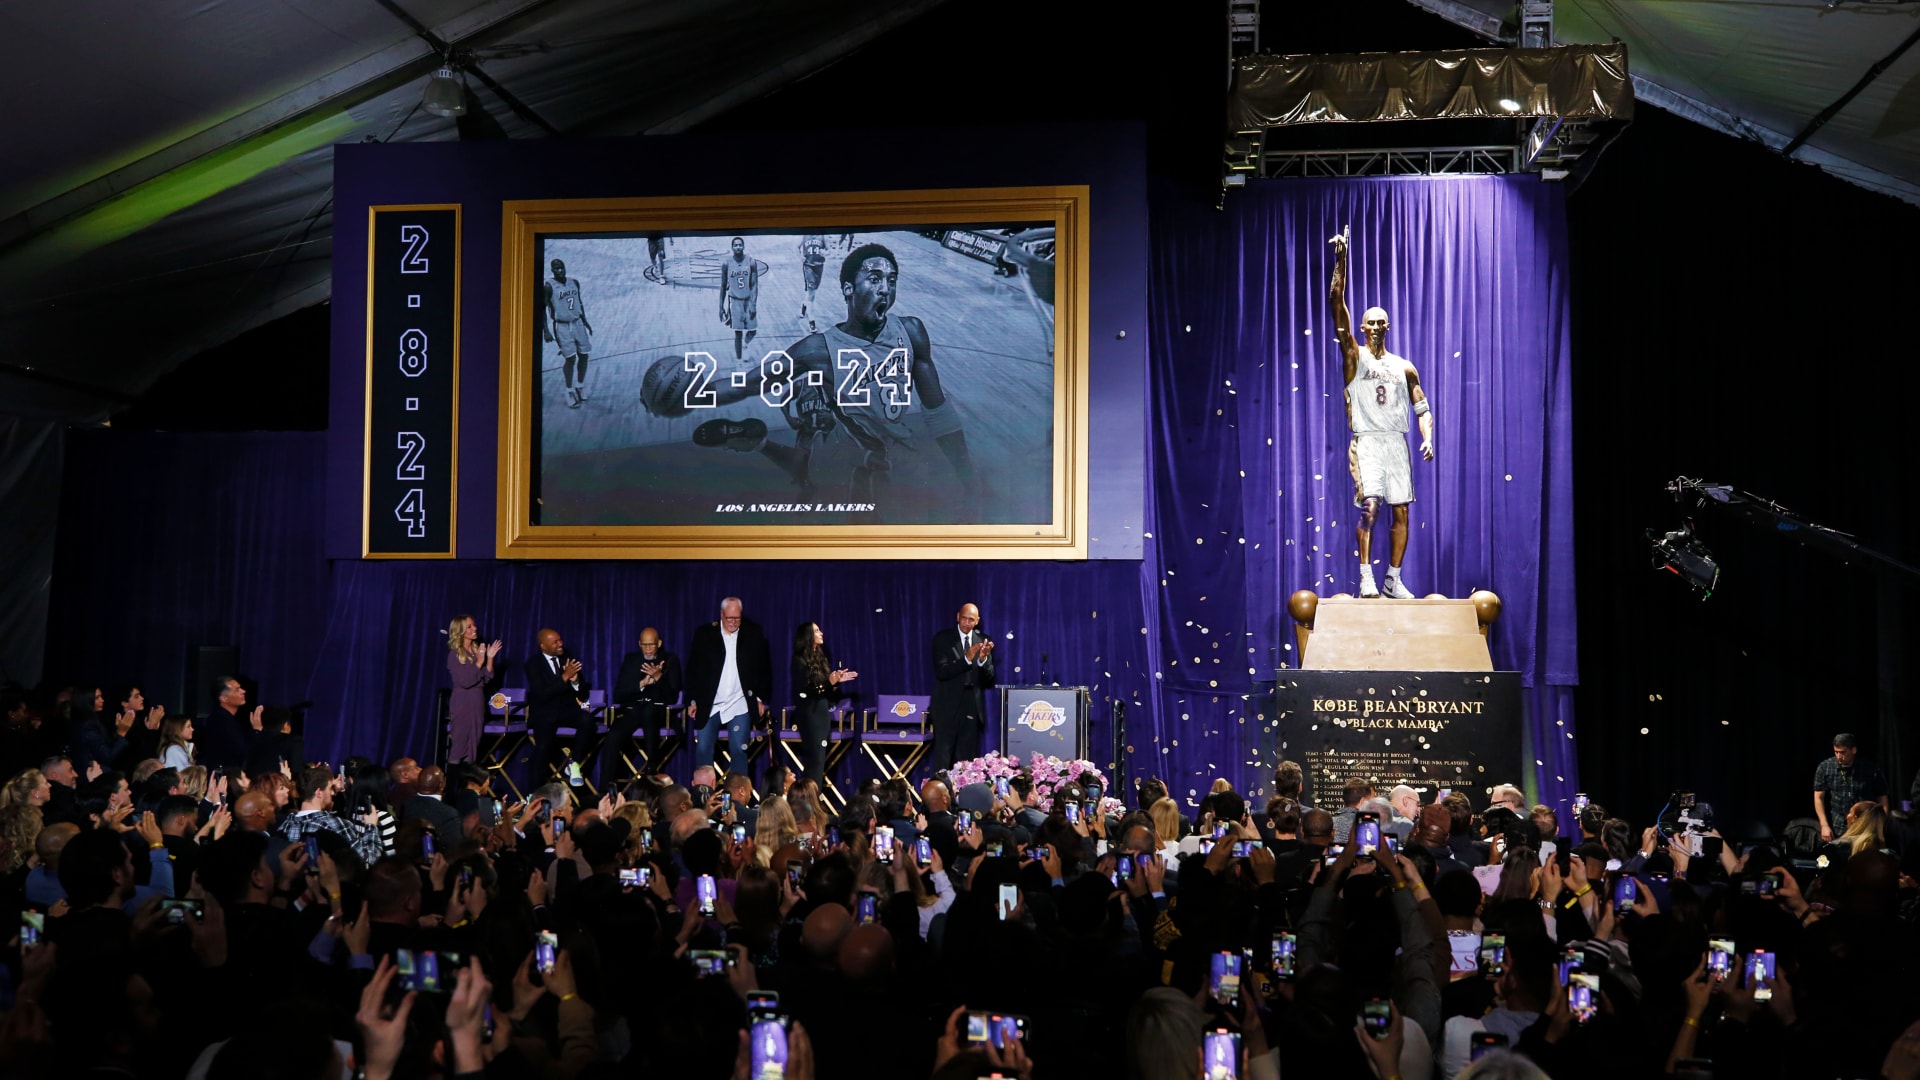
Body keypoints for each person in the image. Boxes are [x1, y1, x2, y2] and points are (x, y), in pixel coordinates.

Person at [688, 242, 978, 507]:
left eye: (891, 281)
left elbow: (940, 415)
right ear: (848, 289)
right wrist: (691, 394)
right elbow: (747, 384)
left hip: (910, 466)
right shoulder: (817, 350)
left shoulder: (911, 331)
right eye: (875, 279)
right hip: (859, 460)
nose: (885, 289)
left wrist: (969, 479)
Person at [1328, 225, 1435, 599]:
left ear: (1388, 326)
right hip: (1368, 443)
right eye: (1368, 321)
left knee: (1401, 511)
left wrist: (1428, 438)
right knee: (1371, 507)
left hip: (1397, 443)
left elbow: (1422, 406)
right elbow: (1336, 301)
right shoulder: (1353, 357)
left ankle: (1392, 578)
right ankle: (1365, 577)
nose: (1374, 326)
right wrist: (1340, 261)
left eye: (1380, 321)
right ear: (1360, 327)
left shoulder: (1404, 366)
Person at [684, 597, 774, 779]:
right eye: (729, 618)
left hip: (739, 702)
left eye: (737, 618)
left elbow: (764, 670)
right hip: (710, 703)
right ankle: (704, 799)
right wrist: (692, 700)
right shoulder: (704, 634)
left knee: (739, 749)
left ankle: (737, 802)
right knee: (703, 749)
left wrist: (759, 699)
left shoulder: (753, 634)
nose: (733, 622)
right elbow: (693, 670)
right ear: (721, 615)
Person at [612, 626, 683, 784]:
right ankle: (606, 785)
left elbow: (672, 696)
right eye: (644, 645)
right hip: (633, 710)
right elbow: (618, 695)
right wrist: (642, 683)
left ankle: (652, 764)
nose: (648, 649)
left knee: (649, 711)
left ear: (659, 643)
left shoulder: (670, 660)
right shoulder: (631, 660)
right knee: (613, 735)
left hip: (657, 712)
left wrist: (659, 677)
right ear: (639, 644)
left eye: (651, 644)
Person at [790, 621, 857, 786]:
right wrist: (829, 682)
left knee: (819, 762)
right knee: (814, 761)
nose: (821, 633)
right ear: (808, 636)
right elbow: (806, 691)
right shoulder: (799, 661)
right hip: (809, 714)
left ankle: (812, 802)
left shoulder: (820, 658)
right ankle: (808, 802)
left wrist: (836, 682)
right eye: (817, 631)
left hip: (821, 712)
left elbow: (825, 691)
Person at [930, 602, 995, 771]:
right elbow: (942, 672)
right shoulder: (943, 639)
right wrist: (966, 659)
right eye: (964, 618)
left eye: (971, 620)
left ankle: (965, 796)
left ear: (977, 621)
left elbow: (989, 679)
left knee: (967, 762)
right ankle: (940, 796)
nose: (966, 622)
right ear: (958, 616)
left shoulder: (983, 641)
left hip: (971, 707)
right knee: (943, 760)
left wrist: (982, 660)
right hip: (946, 708)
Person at [524, 627, 593, 785]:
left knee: (587, 720)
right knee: (542, 750)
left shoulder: (567, 659)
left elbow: (583, 695)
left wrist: (575, 681)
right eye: (555, 642)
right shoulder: (533, 665)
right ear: (543, 646)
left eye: (560, 640)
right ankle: (534, 795)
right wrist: (565, 677)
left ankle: (573, 763)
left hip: (567, 711)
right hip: (544, 714)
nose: (560, 644)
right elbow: (542, 694)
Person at [445, 614, 502, 764]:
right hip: (463, 703)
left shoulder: (476, 651)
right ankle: (451, 785)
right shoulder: (455, 654)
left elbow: (486, 677)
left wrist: (489, 659)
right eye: (469, 626)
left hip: (477, 702)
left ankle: (467, 785)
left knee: (473, 748)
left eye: (474, 625)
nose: (474, 628)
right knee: (459, 747)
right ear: (461, 631)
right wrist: (480, 660)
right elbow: (465, 681)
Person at [1814, 732, 1888, 842]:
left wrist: (1883, 824)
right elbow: (1818, 797)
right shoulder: (1825, 767)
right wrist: (1824, 825)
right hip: (1838, 827)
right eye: (1836, 752)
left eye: (1843, 752)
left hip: (1865, 827)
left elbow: (1882, 797)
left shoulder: (1869, 768)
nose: (1839, 756)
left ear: (1853, 750)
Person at [543, 257, 595, 408]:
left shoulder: (574, 282)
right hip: (562, 326)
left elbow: (579, 302)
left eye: (561, 267)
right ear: (552, 271)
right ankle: (568, 390)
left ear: (565, 268)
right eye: (556, 268)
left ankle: (579, 385)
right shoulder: (548, 286)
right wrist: (545, 331)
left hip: (578, 323)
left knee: (584, 356)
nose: (560, 270)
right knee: (570, 359)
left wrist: (585, 321)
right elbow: (542, 310)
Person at [198, 675, 264, 771]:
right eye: (237, 690)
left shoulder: (226, 718)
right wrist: (257, 730)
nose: (243, 691)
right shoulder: (222, 721)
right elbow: (243, 752)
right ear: (224, 698)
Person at [718, 235, 761, 360]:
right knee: (738, 333)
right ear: (732, 247)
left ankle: (745, 345)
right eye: (735, 245)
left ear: (743, 246)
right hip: (734, 302)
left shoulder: (751, 262)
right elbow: (722, 286)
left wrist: (753, 304)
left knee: (753, 331)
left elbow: (754, 285)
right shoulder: (726, 263)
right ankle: (739, 361)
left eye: (740, 245)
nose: (738, 247)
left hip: (748, 301)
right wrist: (720, 307)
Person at [798, 233, 828, 331]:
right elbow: (796, 247)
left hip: (819, 266)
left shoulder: (823, 236)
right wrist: (800, 256)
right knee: (811, 293)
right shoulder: (804, 236)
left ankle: (804, 304)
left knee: (813, 291)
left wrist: (826, 253)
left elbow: (830, 250)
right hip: (808, 266)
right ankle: (812, 322)